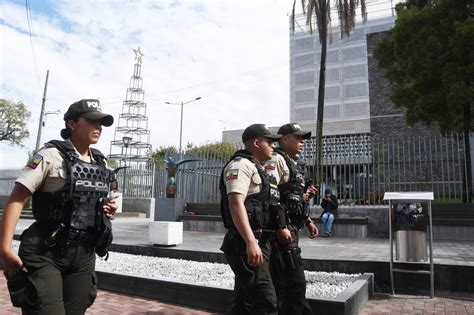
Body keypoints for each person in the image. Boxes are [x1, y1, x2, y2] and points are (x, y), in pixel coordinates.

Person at [0, 99, 118, 314]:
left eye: (100, 123)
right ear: (72, 124)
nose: (98, 127)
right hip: (45, 251)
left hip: (84, 255)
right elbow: (16, 200)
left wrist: (107, 210)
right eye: (91, 121)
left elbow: (93, 202)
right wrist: (4, 249)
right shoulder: (49, 156)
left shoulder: (101, 163)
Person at [219, 123, 292, 314]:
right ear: (257, 143)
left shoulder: (258, 168)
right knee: (265, 302)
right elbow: (236, 204)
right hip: (245, 243)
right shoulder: (240, 165)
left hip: (261, 242)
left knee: (244, 301)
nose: (274, 147)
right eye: (270, 142)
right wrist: (251, 242)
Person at [264, 123, 318, 314]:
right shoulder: (275, 159)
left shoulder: (294, 165)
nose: (303, 142)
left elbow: (293, 197)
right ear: (285, 139)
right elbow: (271, 196)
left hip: (291, 228)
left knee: (285, 283)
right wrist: (280, 226)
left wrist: (307, 220)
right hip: (281, 231)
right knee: (295, 283)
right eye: (298, 137)